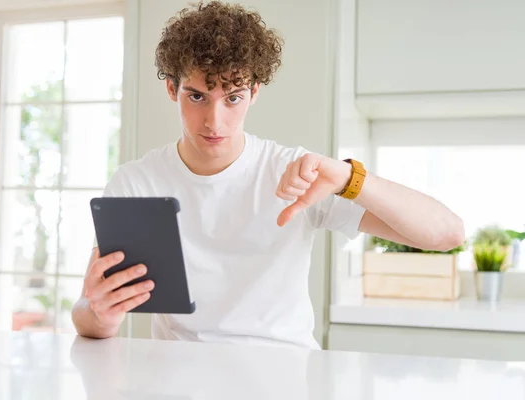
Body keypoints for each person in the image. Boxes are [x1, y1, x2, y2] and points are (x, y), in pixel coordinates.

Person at [72, 1, 464, 349]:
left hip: (285, 371)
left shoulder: (298, 172)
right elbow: (87, 316)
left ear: (254, 93)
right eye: (197, 97)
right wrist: (100, 315)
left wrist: (347, 178)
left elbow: (447, 235)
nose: (214, 120)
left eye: (233, 98)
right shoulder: (136, 182)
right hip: (183, 375)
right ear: (172, 89)